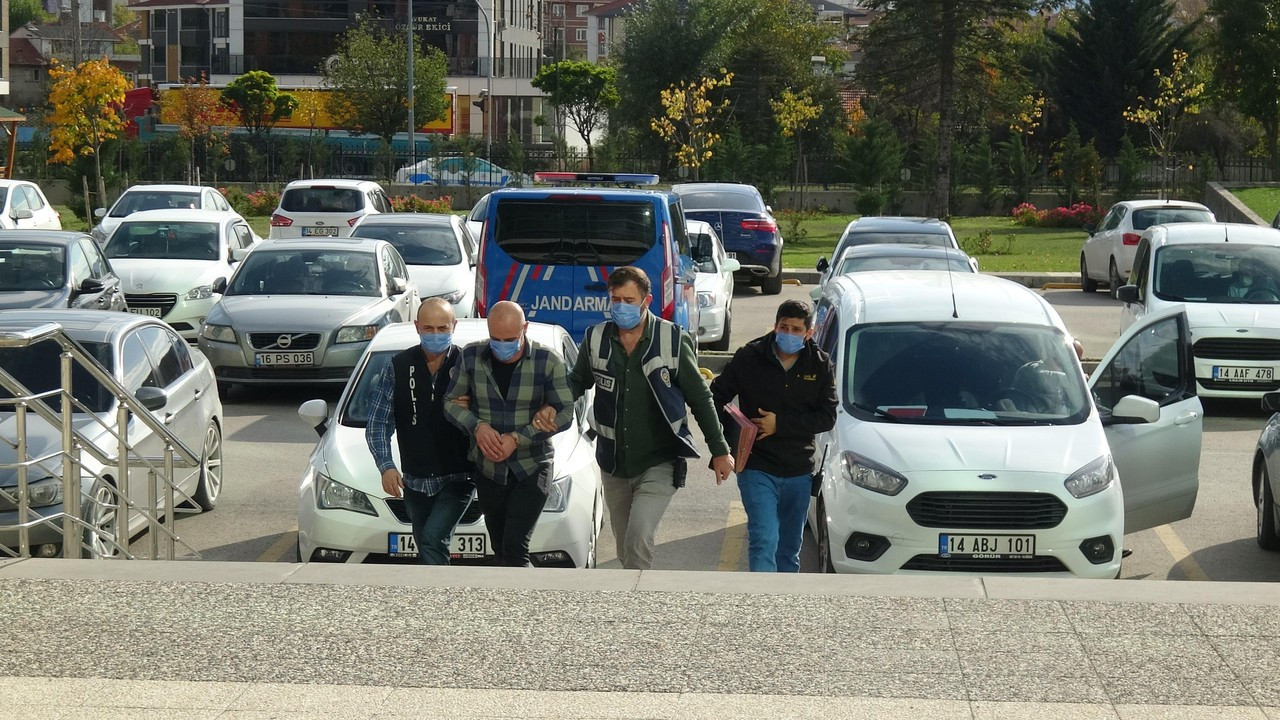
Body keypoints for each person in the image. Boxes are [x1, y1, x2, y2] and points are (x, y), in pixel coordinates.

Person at [536, 266, 735, 570]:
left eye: (629, 300)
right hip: (613, 463)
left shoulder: (671, 339)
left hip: (659, 460)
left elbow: (700, 398)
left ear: (647, 300)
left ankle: (638, 605)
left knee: (638, 537)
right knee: (624, 546)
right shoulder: (596, 338)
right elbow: (577, 382)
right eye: (615, 299)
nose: (621, 307)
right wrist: (553, 405)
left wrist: (720, 450)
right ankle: (632, 598)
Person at [710, 300, 836, 573]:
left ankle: (784, 606)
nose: (788, 334)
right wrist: (724, 447)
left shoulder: (821, 364)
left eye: (796, 329)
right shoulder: (750, 356)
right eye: (783, 327)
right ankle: (761, 606)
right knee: (764, 539)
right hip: (757, 466)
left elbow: (827, 417)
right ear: (775, 325)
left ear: (809, 333)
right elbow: (715, 397)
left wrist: (781, 424)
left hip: (799, 471)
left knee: (789, 550)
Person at [444, 301, 574, 567]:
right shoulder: (471, 356)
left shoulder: (547, 361)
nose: (502, 346)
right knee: (500, 547)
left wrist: (518, 438)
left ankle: (522, 604)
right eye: (496, 339)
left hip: (532, 466)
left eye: (510, 339)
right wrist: (477, 427)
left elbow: (565, 413)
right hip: (489, 468)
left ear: (524, 329)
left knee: (516, 547)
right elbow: (449, 402)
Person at [364, 298, 475, 566]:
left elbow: (495, 415)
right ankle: (437, 596)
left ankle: (436, 601)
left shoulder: (469, 365)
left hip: (458, 477)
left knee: (433, 539)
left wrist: (476, 406)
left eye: (442, 328)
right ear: (417, 327)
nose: (435, 335)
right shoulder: (398, 365)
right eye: (428, 328)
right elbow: (378, 422)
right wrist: (386, 466)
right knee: (424, 541)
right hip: (415, 481)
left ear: (454, 326)